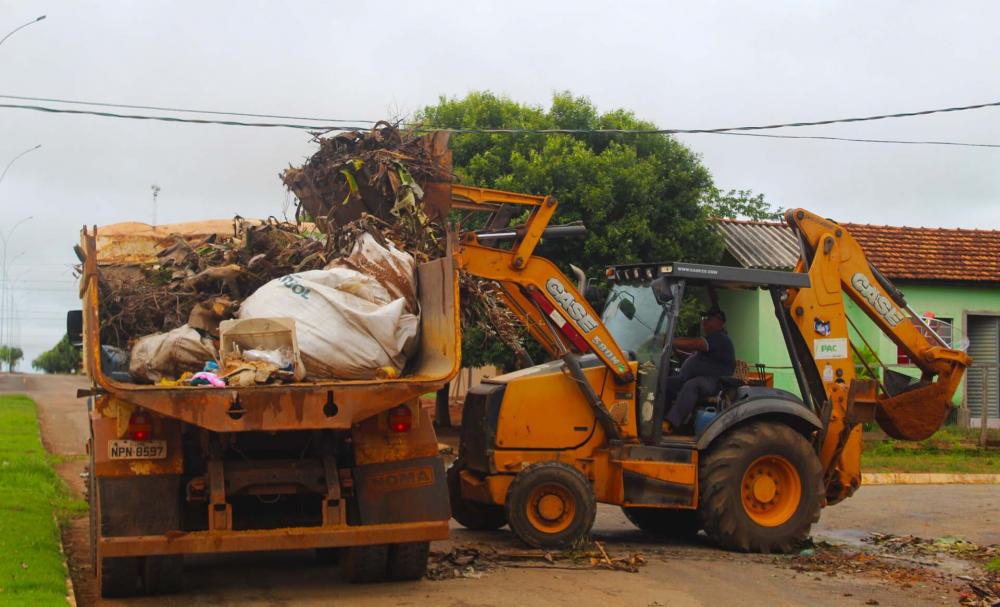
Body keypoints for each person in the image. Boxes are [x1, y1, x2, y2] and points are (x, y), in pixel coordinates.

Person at [661, 307, 735, 434]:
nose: (704, 322)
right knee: (664, 382)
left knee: (692, 385)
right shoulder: (712, 340)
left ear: (720, 322)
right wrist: (676, 350)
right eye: (703, 318)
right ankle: (657, 416)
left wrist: (669, 341)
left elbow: (694, 344)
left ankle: (670, 423)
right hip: (693, 378)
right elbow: (692, 355)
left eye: (708, 318)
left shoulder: (720, 338)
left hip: (714, 381)